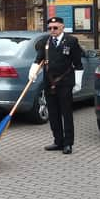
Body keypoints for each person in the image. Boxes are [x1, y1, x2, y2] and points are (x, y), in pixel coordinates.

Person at [29, 16, 83, 155]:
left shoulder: (71, 41)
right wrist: (33, 72)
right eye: (50, 28)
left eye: (55, 28)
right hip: (49, 83)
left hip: (65, 83)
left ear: (62, 27)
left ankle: (68, 143)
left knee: (66, 113)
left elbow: (78, 64)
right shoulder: (44, 42)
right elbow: (38, 59)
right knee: (53, 114)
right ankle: (58, 141)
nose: (52, 30)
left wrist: (77, 82)